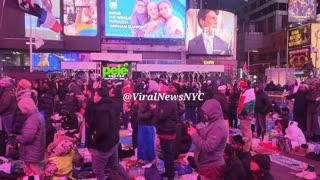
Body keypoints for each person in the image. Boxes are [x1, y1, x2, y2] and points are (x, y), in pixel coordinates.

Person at [85, 88, 129, 180]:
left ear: (100, 96)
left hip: (104, 144)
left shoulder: (101, 109)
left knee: (98, 169)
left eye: (95, 95)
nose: (94, 97)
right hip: (114, 140)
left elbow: (103, 129)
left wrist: (95, 138)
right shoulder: (113, 105)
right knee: (115, 164)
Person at [188, 99, 227, 180]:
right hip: (207, 165)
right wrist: (199, 131)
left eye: (206, 113)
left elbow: (208, 147)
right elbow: (209, 135)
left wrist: (194, 135)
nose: (205, 115)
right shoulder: (214, 122)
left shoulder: (218, 127)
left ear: (213, 113)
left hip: (212, 167)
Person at [14, 95, 46, 176]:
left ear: (26, 107)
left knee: (33, 173)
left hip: (31, 152)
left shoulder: (32, 119)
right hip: (35, 150)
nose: (21, 111)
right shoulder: (37, 115)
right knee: (35, 171)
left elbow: (27, 137)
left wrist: (16, 137)